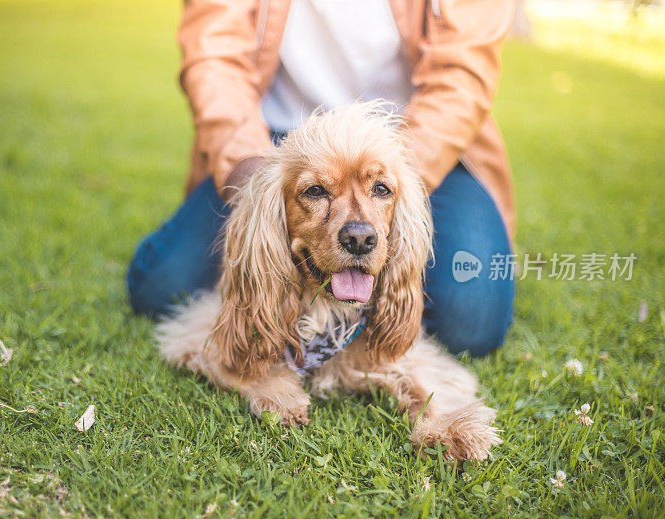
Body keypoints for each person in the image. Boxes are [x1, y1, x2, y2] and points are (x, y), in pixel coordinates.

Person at [127, 0, 517, 358]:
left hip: (418, 146)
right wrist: (251, 173)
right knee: (162, 286)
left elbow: (462, 74)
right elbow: (214, 55)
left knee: (472, 321)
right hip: (275, 142)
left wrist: (394, 181)